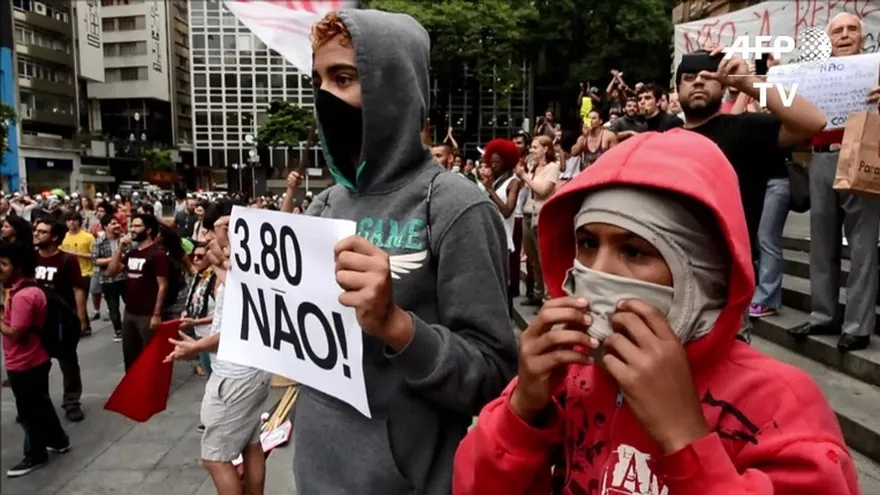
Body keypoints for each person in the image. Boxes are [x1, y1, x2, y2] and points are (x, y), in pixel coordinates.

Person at [453, 130, 859, 494]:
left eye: (634, 251)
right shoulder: (568, 371)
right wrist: (522, 410)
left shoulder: (779, 404)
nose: (598, 272)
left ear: (701, 271)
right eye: (587, 244)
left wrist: (686, 439)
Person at [284, 10, 517, 494]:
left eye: (343, 78)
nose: (325, 96)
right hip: (315, 475)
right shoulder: (323, 205)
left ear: (392, 88)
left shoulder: (455, 206)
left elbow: (494, 376)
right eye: (318, 80)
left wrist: (396, 325)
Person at [164, 201, 270, 495]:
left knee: (215, 458)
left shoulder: (244, 266)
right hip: (251, 370)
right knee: (251, 444)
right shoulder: (248, 264)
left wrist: (196, 346)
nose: (208, 236)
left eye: (213, 229)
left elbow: (237, 329)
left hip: (236, 375)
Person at [792, 12, 880, 351]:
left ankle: (857, 326)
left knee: (862, 245)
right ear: (827, 40)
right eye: (837, 31)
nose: (844, 35)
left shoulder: (876, 70)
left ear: (863, 38)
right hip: (821, 157)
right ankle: (823, 315)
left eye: (851, 29)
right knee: (821, 241)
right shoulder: (813, 74)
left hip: (862, 156)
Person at [0, 242, 70, 477]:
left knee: (28, 410)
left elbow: (15, 333)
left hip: (25, 361)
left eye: (4, 264)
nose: (0, 269)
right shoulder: (27, 288)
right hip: (35, 357)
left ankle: (35, 454)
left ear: (18, 267)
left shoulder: (24, 296)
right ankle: (59, 440)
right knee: (41, 403)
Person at [34, 220, 87, 422]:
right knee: (36, 363)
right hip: (36, 319)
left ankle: (72, 401)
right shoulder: (31, 257)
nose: (37, 234)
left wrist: (81, 318)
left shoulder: (67, 260)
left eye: (42, 232)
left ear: (55, 237)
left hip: (61, 320)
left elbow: (78, 289)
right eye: (36, 230)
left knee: (68, 362)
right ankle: (37, 402)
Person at [105, 214, 169, 370]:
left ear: (148, 230)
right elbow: (111, 272)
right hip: (130, 312)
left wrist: (156, 314)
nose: (132, 229)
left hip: (147, 314)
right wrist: (119, 249)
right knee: (130, 355)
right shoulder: (132, 253)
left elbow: (162, 285)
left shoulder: (158, 254)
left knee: (150, 356)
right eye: (131, 226)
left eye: (137, 226)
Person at [92, 214, 127, 342]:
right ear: (105, 227)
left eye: (117, 223)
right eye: (113, 224)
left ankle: (130, 327)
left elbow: (128, 256)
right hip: (107, 279)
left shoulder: (124, 239)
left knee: (130, 304)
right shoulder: (98, 242)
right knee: (113, 306)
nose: (117, 226)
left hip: (124, 277)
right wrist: (114, 259)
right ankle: (118, 331)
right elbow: (95, 261)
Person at [61, 212, 95, 336]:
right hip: (68, 274)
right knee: (72, 302)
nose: (72, 223)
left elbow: (94, 255)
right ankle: (82, 326)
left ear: (79, 221)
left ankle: (83, 326)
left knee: (81, 301)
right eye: (69, 220)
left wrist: (75, 254)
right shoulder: (63, 237)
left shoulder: (88, 237)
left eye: (74, 220)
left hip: (85, 272)